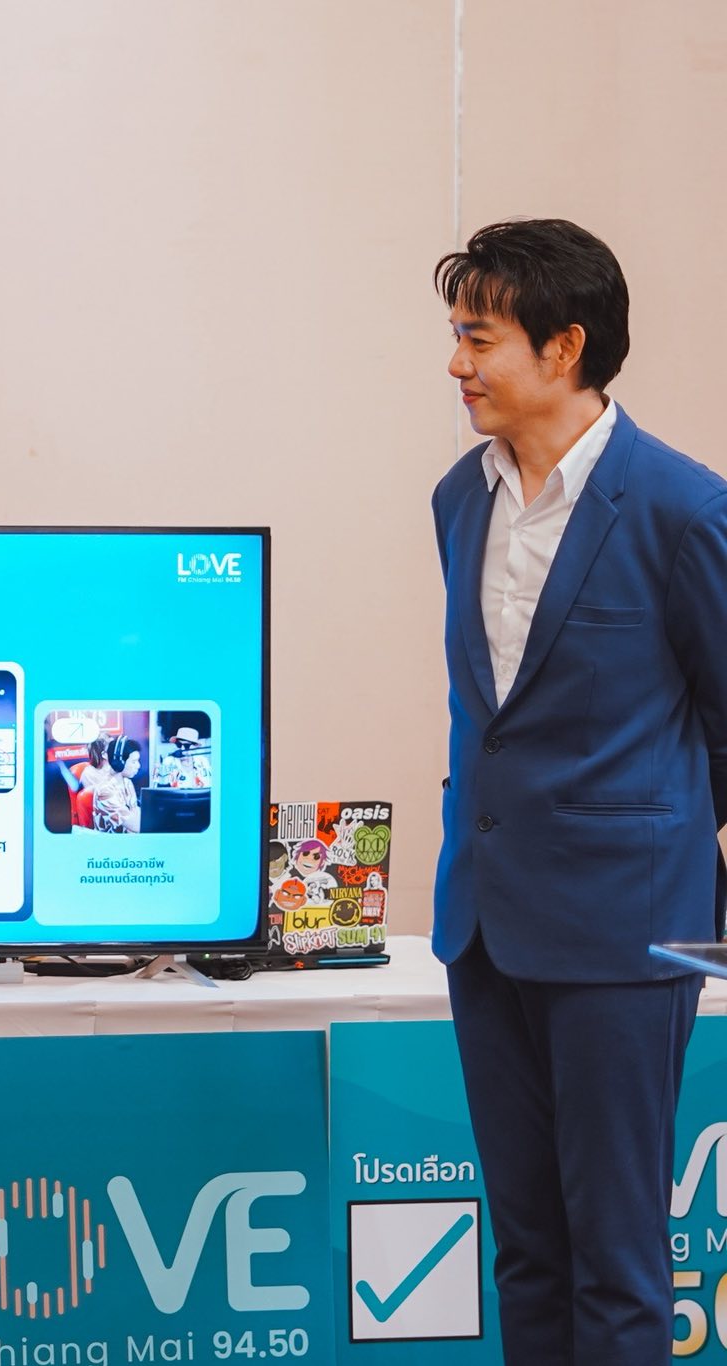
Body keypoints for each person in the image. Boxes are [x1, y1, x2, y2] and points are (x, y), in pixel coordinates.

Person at [430, 220, 727, 1362]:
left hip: (622, 932)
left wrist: (661, 859)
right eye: (456, 336)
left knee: (615, 1259)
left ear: (563, 347)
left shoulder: (682, 508)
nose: (456, 364)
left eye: (478, 339)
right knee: (526, 1250)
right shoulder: (459, 499)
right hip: (484, 926)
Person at [84, 736, 143, 833]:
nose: (138, 766)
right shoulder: (105, 791)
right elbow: (136, 826)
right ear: (119, 763)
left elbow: (135, 811)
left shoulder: (127, 782)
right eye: (134, 762)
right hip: (113, 841)